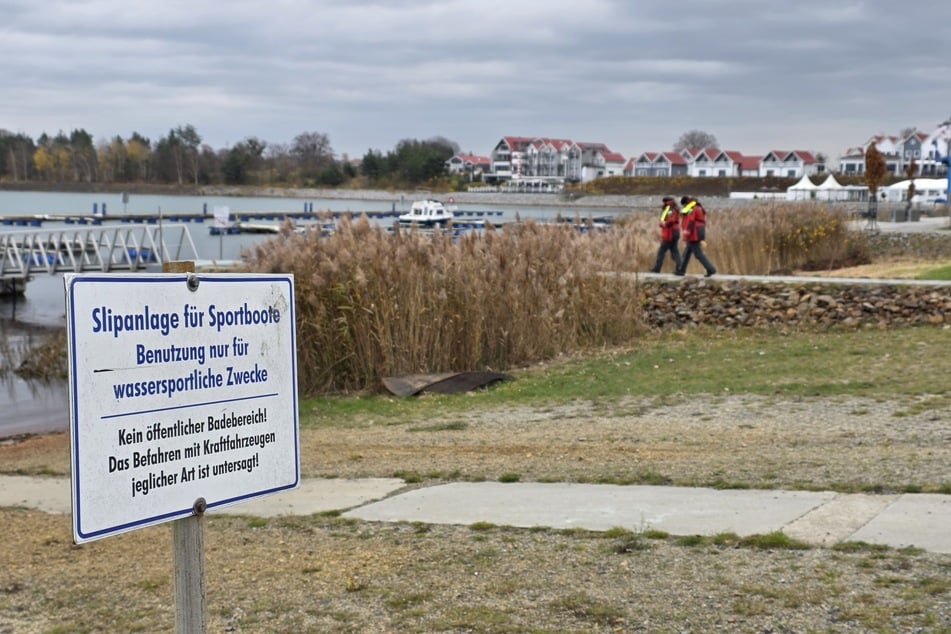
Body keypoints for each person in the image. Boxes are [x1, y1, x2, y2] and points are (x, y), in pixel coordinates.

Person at [674, 196, 716, 277]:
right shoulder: (697, 207)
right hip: (698, 231)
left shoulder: (693, 208)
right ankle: (681, 270)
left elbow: (691, 220)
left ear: (686, 203)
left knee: (698, 253)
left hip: (694, 233)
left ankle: (711, 269)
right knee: (687, 252)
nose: (684, 207)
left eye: (684, 205)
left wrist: (687, 231)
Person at [649, 197, 682, 273]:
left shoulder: (670, 210)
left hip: (670, 233)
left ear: (666, 202)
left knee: (661, 251)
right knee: (674, 251)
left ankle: (657, 268)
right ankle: (680, 268)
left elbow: (670, 221)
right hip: (675, 232)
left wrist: (664, 224)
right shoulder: (674, 209)